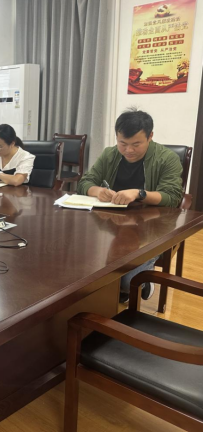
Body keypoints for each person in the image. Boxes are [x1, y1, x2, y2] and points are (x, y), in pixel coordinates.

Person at [77, 107, 183, 302]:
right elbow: (85, 182)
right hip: (112, 224)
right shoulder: (110, 154)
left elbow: (172, 197)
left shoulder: (167, 158)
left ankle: (140, 280)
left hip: (150, 225)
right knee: (85, 269)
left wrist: (138, 193)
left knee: (126, 282)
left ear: (150, 136)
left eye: (136, 144)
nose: (129, 150)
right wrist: (97, 191)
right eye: (122, 143)